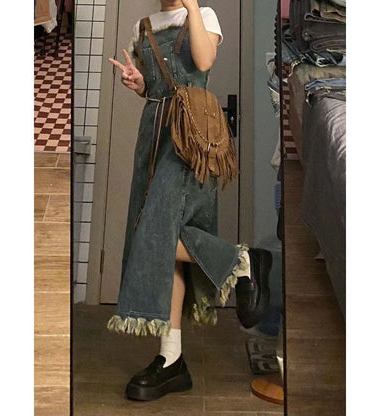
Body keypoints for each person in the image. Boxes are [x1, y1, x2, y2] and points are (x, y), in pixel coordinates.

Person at [108, 0, 272, 401]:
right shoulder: (143, 26)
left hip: (189, 141)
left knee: (155, 234)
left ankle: (242, 263)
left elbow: (202, 62)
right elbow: (155, 87)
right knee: (166, 242)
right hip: (153, 139)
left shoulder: (204, 16)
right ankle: (171, 358)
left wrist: (193, 8)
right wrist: (138, 83)